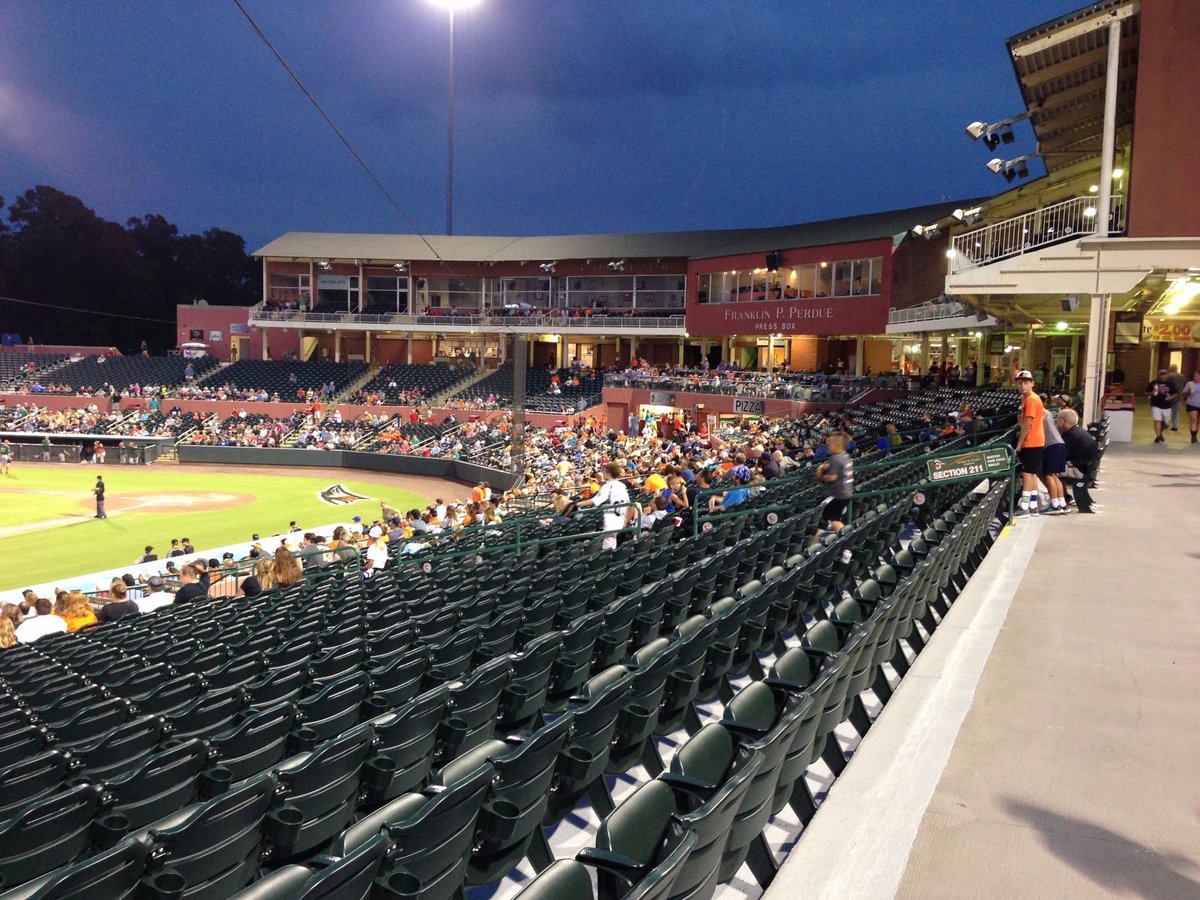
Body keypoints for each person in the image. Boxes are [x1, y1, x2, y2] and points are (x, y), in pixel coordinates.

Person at [577, 461, 635, 551]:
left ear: (609, 473)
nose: (604, 473)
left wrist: (577, 503)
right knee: (614, 543)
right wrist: (626, 518)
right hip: (621, 517)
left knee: (608, 547)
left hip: (612, 519)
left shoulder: (607, 486)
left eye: (605, 471)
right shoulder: (622, 485)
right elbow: (628, 503)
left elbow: (594, 501)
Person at [1014, 370, 1046, 516]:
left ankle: (1025, 507)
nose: (1023, 386)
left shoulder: (1031, 400)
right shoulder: (1032, 398)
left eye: (1026, 383)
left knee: (1027, 474)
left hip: (1031, 442)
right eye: (1020, 383)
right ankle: (1033, 505)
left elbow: (1027, 424)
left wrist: (1019, 444)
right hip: (1037, 440)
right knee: (1032, 474)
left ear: (1032, 383)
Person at [1057, 409, 1098, 514]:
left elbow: (1062, 457)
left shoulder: (1070, 435)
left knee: (1048, 470)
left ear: (1064, 422)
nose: (1057, 424)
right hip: (1085, 468)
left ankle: (1058, 501)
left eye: (1058, 421)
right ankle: (1065, 497)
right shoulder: (1079, 431)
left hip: (1078, 471)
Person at [815, 431, 854, 534]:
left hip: (836, 495)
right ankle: (846, 539)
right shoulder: (846, 456)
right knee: (835, 519)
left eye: (829, 445)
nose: (828, 447)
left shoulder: (835, 458)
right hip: (846, 493)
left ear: (837, 446)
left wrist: (821, 475)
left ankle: (814, 542)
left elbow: (832, 477)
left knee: (818, 516)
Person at [1040, 402, 1068, 515]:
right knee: (1054, 475)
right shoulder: (1047, 412)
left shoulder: (1040, 413)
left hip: (1051, 445)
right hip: (1059, 443)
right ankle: (1062, 503)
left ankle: (1054, 505)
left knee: (1049, 475)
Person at [1146, 369, 1176, 444]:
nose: (1163, 376)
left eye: (1165, 374)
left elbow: (1176, 393)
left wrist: (1171, 397)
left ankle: (1160, 433)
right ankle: (1158, 436)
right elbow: (1146, 392)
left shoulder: (1170, 383)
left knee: (1165, 421)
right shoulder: (1153, 383)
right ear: (1158, 375)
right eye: (1161, 374)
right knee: (1157, 420)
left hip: (1167, 406)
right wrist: (1152, 393)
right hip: (1156, 404)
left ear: (1167, 375)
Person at [1166, 365, 1188, 431]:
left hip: (1169, 396)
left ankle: (1166, 423)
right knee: (1176, 412)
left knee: (1167, 411)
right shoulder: (1182, 376)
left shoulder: (1168, 376)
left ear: (1170, 369)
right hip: (1179, 397)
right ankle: (1175, 426)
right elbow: (1185, 385)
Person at [1183, 370, 1200, 444]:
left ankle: (1195, 435)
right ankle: (1193, 437)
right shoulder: (1190, 384)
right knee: (1193, 420)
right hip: (1191, 404)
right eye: (1194, 375)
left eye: (1196, 375)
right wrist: (1188, 391)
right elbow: (1184, 394)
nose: (1194, 377)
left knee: (1198, 422)